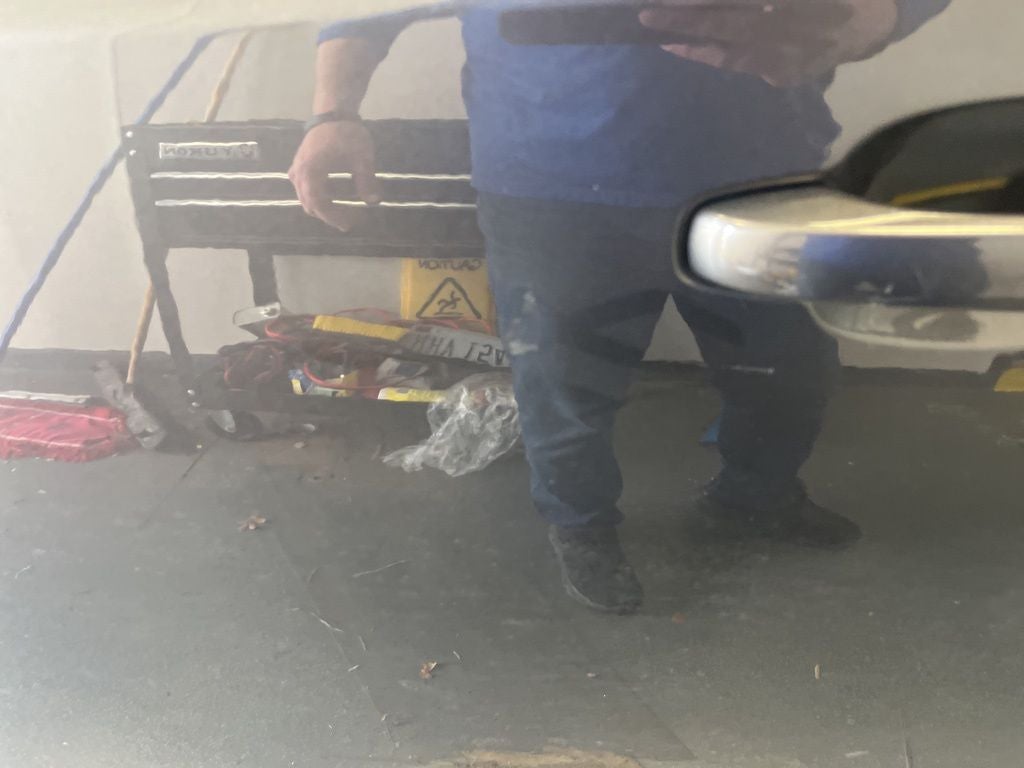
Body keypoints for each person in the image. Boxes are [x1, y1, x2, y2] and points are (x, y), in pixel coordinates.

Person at [290, 0, 951, 614]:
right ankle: (580, 527)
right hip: (551, 187)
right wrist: (333, 114)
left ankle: (758, 497)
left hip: (767, 176)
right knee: (564, 385)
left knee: (790, 372)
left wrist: (880, 14)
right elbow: (360, 10)